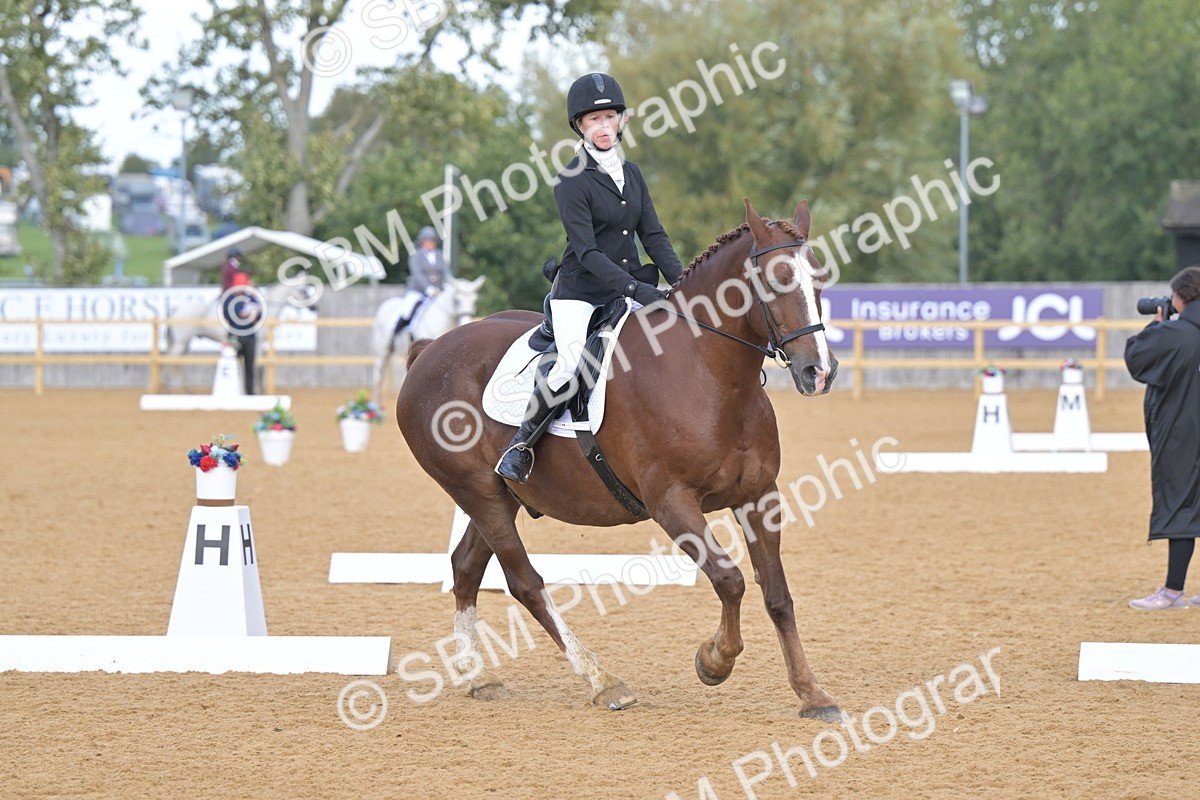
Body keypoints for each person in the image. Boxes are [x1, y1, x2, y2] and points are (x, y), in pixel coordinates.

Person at [494, 72, 683, 484]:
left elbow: (653, 235)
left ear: (622, 121)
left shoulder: (631, 174)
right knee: (569, 363)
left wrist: (682, 282)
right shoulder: (571, 179)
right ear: (579, 126)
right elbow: (587, 251)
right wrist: (637, 290)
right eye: (592, 120)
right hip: (581, 292)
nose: (602, 126)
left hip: (629, 285)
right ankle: (521, 444)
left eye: (609, 117)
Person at [1123, 265, 1200, 609]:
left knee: (1180, 506)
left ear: (1181, 297)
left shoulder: (1176, 333)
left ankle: (1172, 591)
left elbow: (1136, 357)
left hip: (1183, 433)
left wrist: (1157, 324)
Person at [392, 226, 454, 335]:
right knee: (407, 311)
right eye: (427, 241)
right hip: (418, 291)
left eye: (432, 241)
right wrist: (427, 288)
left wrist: (449, 284)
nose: (429, 243)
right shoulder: (416, 257)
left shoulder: (440, 255)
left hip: (437, 292)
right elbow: (417, 274)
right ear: (422, 242)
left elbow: (446, 272)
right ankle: (393, 337)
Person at [222, 271, 263, 395]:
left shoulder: (251, 298)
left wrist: (254, 314)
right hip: (234, 337)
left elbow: (259, 315)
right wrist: (242, 314)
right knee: (232, 366)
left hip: (250, 337)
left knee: (249, 368)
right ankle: (232, 392)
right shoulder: (229, 299)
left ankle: (249, 393)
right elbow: (227, 315)